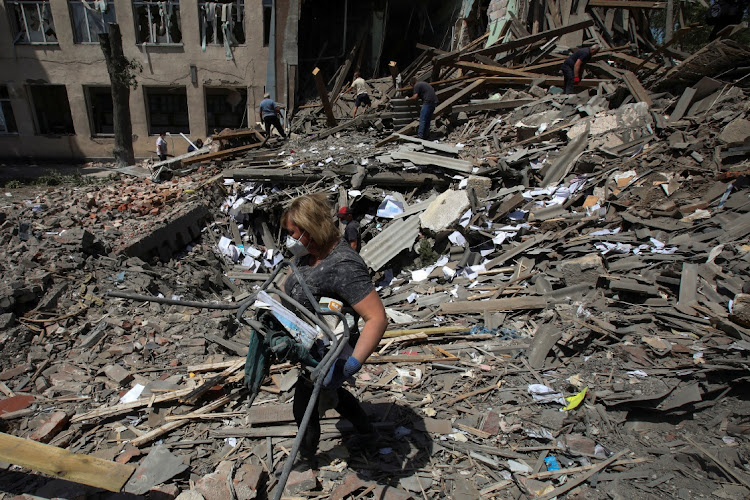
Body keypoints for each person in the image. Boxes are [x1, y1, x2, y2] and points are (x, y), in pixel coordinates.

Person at [281, 193, 387, 465]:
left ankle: (305, 457)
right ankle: (367, 432)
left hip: (329, 351)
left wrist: (350, 365)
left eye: (293, 233)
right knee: (336, 395)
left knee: (303, 407)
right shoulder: (309, 254)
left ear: (310, 228)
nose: (289, 239)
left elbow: (376, 318)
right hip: (310, 344)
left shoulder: (343, 264)